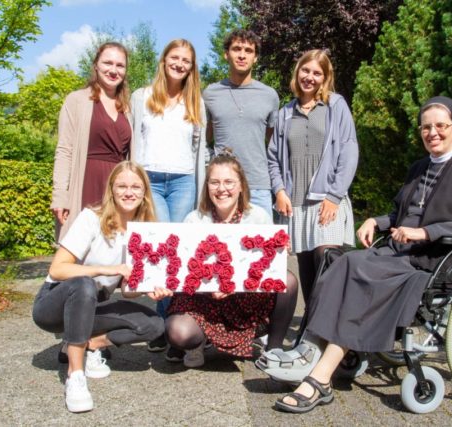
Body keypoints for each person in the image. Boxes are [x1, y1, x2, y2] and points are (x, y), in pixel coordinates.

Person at [270, 96, 452, 413]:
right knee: (342, 261)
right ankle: (307, 349)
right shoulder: (419, 168)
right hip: (396, 251)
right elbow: (400, 214)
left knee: (363, 277)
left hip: (429, 261)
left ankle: (319, 379)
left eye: (440, 126)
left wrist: (426, 232)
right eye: (426, 127)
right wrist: (376, 221)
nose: (432, 132)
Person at [33, 161, 166, 413]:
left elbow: (127, 290)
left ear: (144, 192)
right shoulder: (91, 218)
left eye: (136, 187)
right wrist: (107, 270)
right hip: (53, 304)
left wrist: (148, 288)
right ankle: (76, 376)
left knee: (155, 325)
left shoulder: (143, 231)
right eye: (122, 186)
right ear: (112, 189)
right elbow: (57, 269)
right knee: (84, 285)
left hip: (95, 304)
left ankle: (92, 343)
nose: (129, 192)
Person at [158, 152, 298, 368]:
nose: (221, 189)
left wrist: (278, 250)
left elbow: (268, 267)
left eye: (228, 182)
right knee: (178, 332)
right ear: (207, 187)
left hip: (246, 300)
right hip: (203, 303)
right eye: (214, 182)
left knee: (287, 280)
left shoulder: (258, 217)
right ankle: (197, 343)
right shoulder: (194, 220)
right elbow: (183, 272)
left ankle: (274, 349)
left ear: (241, 185)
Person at [131, 39, 208, 351]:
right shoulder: (142, 97)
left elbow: (200, 151)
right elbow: (134, 141)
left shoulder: (196, 103)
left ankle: (169, 325)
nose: (179, 64)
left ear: (191, 67)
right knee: (160, 252)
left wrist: (202, 190)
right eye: (174, 58)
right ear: (163, 61)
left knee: (179, 253)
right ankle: (163, 325)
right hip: (150, 179)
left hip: (183, 180)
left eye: (186, 60)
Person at [267, 49, 358, 306]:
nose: (310, 77)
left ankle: (331, 328)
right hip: (295, 203)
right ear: (298, 72)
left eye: (317, 73)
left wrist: (335, 195)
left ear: (325, 77)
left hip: (327, 200)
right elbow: (273, 156)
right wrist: (279, 190)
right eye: (305, 70)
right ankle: (310, 326)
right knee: (306, 267)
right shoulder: (285, 112)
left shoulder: (335, 105)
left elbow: (349, 150)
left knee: (326, 258)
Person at [51, 42, 132, 242]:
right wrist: (60, 195)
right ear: (96, 65)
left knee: (114, 247)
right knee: (81, 247)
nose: (113, 70)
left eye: (120, 65)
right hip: (87, 181)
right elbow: (64, 150)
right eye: (108, 63)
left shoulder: (128, 108)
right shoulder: (76, 100)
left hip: (117, 188)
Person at [203, 29, 279, 217]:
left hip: (258, 186)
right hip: (221, 188)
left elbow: (273, 144)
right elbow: (204, 140)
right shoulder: (210, 94)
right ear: (226, 54)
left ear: (255, 58)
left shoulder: (269, 95)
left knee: (263, 244)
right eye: (237, 49)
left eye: (248, 50)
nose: (242, 55)